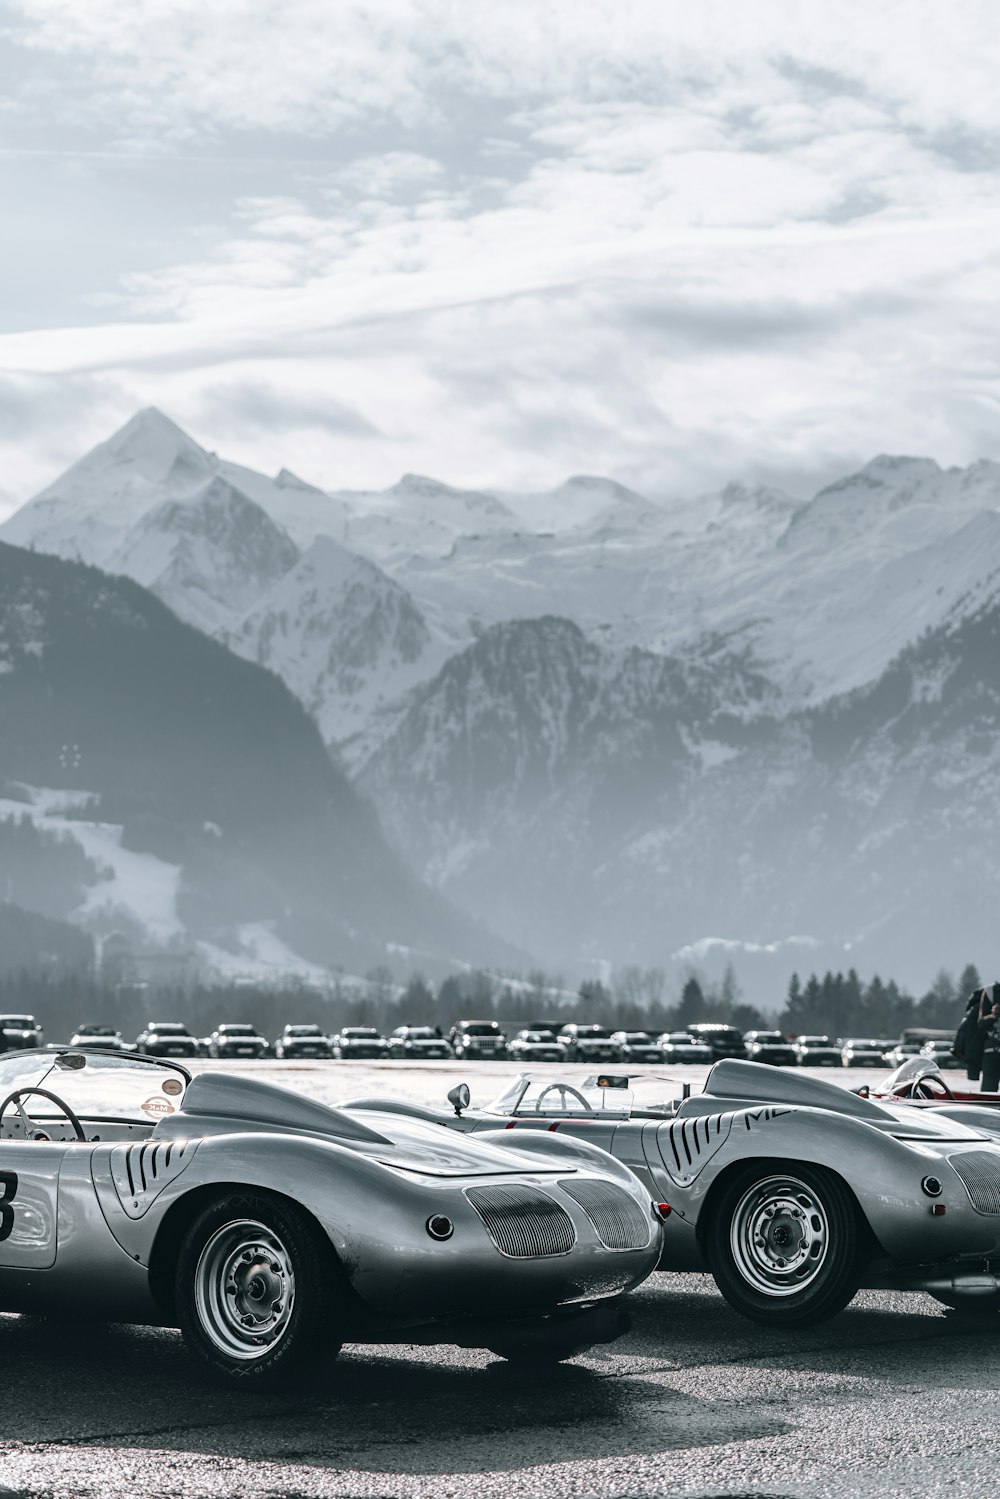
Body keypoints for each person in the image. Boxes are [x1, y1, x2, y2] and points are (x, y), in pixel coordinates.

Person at [955, 987, 987, 1084]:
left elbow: (962, 1030)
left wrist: (958, 1048)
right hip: (984, 1049)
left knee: (973, 1082)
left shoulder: (971, 1011)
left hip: (971, 1051)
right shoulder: (985, 1009)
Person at [978, 985, 1000, 1094]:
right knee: (988, 1095)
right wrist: (993, 1015)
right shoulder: (991, 992)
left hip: (991, 1053)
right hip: (992, 1053)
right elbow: (981, 1023)